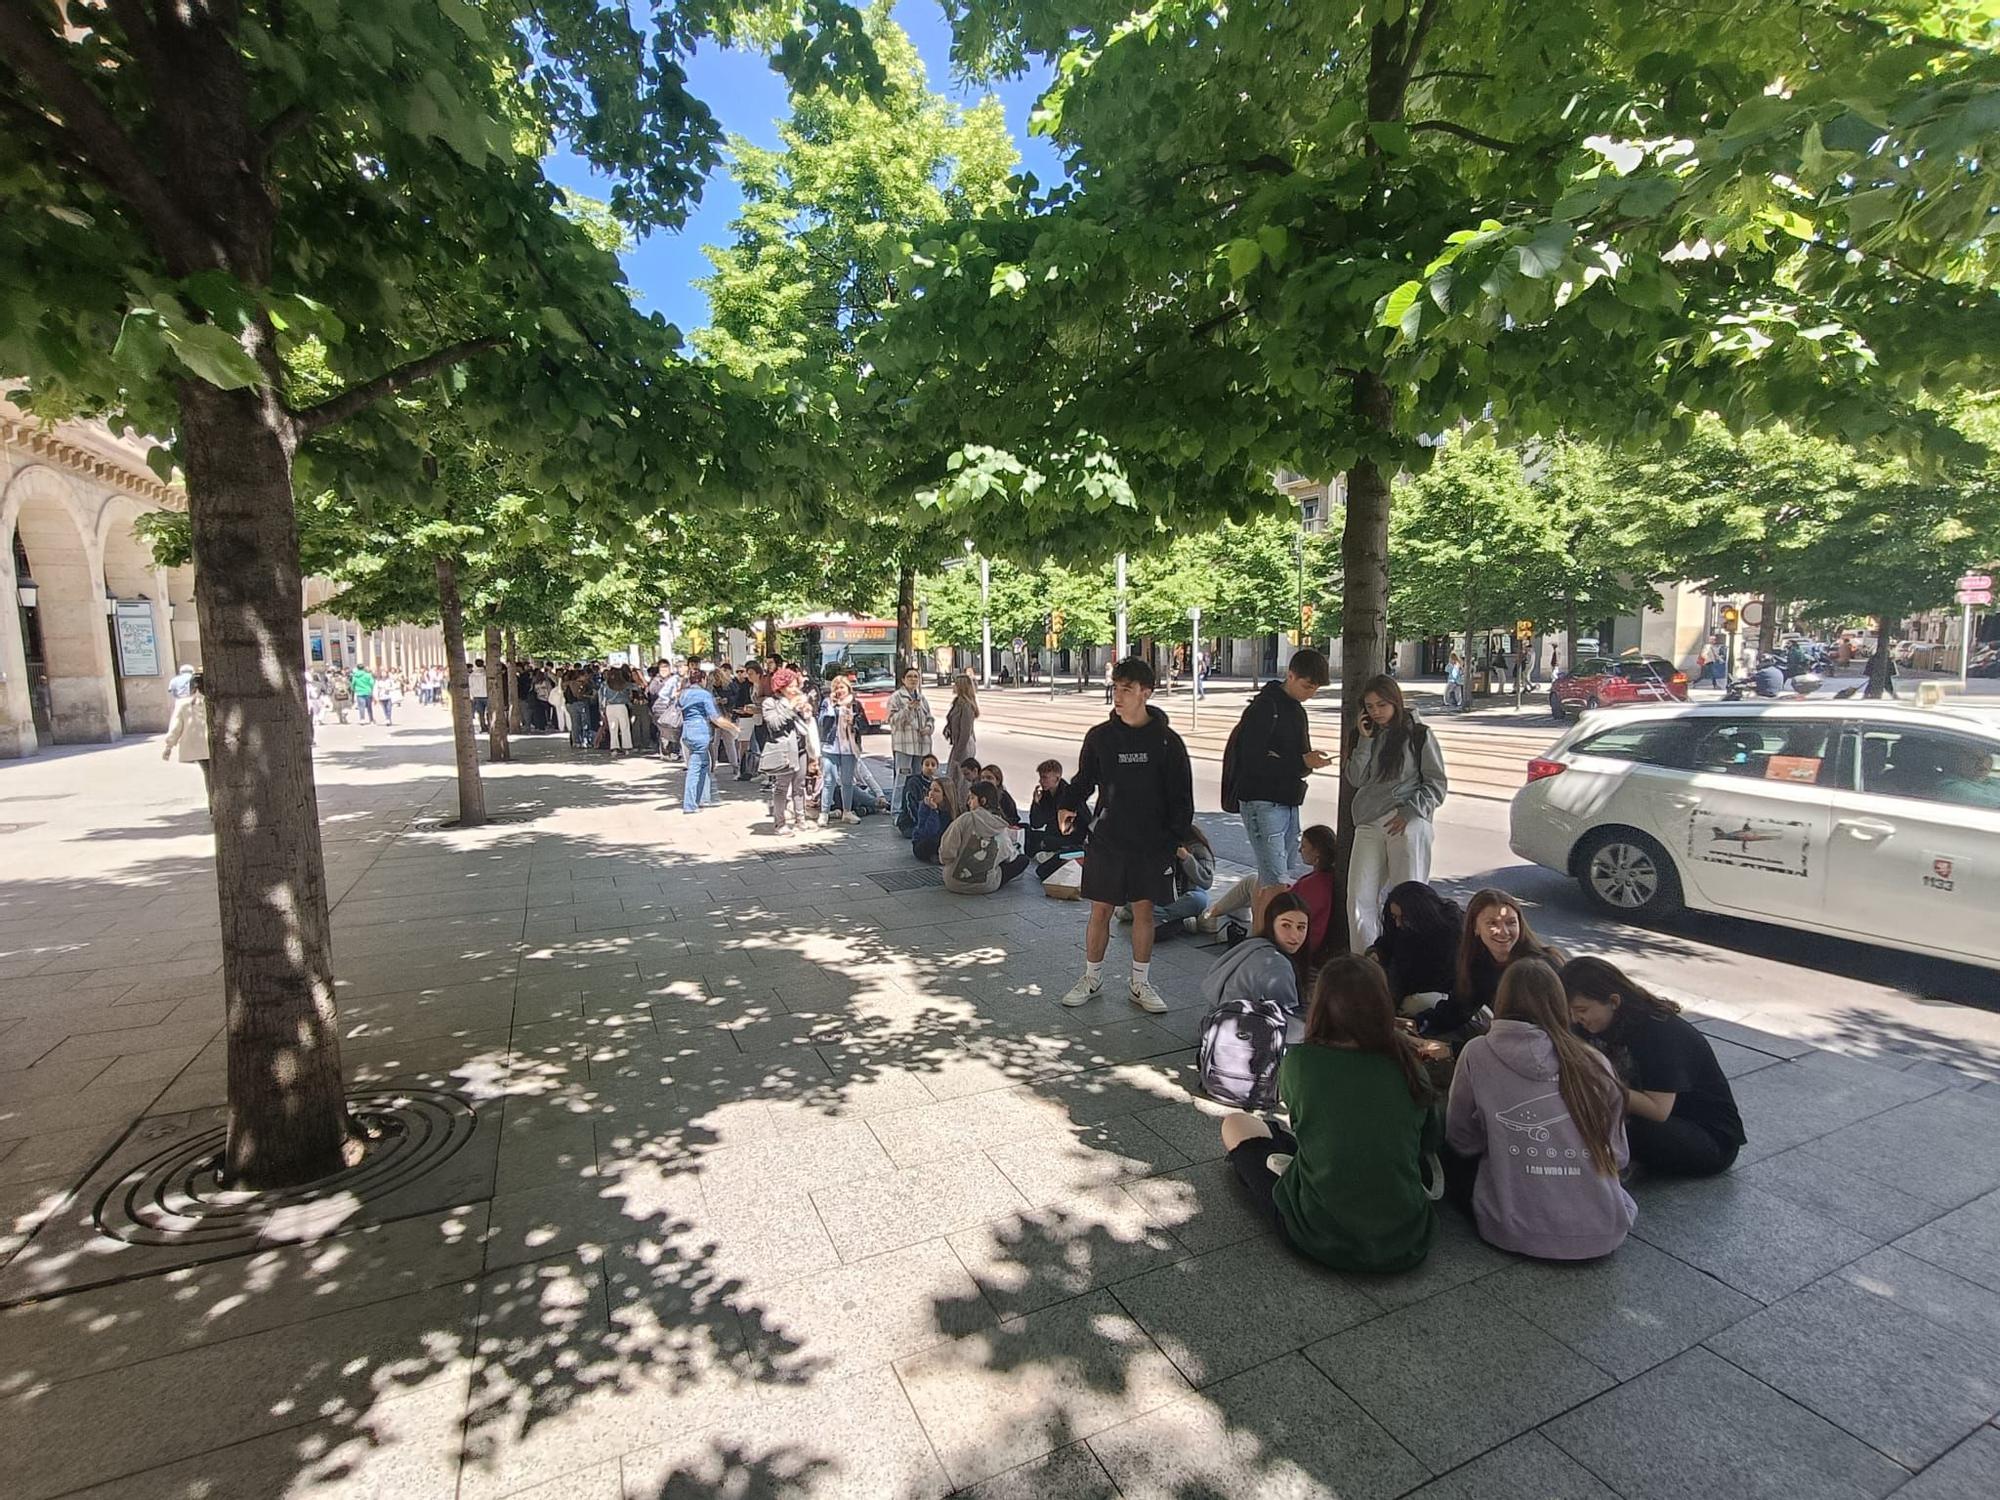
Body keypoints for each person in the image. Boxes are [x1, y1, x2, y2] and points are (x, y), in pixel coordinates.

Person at [1218, 956, 1440, 1274]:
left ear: (1320, 1004)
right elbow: (1431, 1139)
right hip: (1408, 1237)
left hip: (1319, 1234)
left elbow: (1305, 1122)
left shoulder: (1300, 1063)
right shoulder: (1408, 1065)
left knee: (1236, 1124)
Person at [1445, 959, 1635, 1259]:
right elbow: (1618, 1154)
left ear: (1502, 999)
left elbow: (1460, 1139)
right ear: (1560, 1003)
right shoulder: (1593, 1061)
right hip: (1603, 1231)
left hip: (1510, 1231)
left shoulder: (1477, 1052)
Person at [1057, 657, 1195, 1015]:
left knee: (1145, 911)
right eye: (1116, 688)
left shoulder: (1167, 742)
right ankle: (1091, 977)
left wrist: (1173, 840)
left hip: (1152, 843)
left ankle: (1140, 982)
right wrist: (1067, 805)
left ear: (1146, 693)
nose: (1118, 696)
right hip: (1108, 839)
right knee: (1100, 910)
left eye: (1127, 689)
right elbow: (1084, 779)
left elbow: (1182, 797)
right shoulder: (1100, 737)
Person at [1564, 956, 1745, 1176]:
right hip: (1659, 1120)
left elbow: (1657, 1110)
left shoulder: (1659, 1031)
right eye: (1571, 1011)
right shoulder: (1595, 1022)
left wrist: (1598, 1084)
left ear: (1613, 1001)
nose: (1575, 1018)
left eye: (1582, 1010)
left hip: (1707, 1138)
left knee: (1608, 1122)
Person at [1344, 673, 1448, 952]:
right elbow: (1355, 778)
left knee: (1410, 899)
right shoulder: (1366, 735)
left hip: (1406, 820)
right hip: (1368, 821)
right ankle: (1366, 964)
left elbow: (1436, 784)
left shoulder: (1418, 734)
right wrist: (1364, 741)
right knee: (1358, 897)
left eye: (1381, 705)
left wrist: (1410, 811)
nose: (1375, 712)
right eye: (1369, 706)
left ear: (1396, 702)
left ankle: (1409, 961)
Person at [1222, 648, 1333, 893]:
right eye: (1307, 686)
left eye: (1316, 688)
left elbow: (1296, 760)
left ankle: (1265, 927)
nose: (1311, 693)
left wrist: (1305, 762)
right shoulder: (1264, 707)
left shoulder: (1296, 710)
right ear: (1291, 676)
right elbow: (1254, 761)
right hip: (1262, 801)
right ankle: (1267, 929)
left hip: (1287, 799)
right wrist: (1300, 761)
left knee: (1277, 876)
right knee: (1276, 879)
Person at [1417, 888, 1566, 1052]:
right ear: (1475, 928)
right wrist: (1419, 1023)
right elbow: (1458, 1009)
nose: (1503, 932)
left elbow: (1541, 1033)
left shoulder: (1539, 968)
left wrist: (1453, 1050)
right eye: (1492, 923)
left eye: (1511, 922)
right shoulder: (1479, 963)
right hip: (1505, 1037)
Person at [1367, 881, 1463, 1018]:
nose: (1398, 924)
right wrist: (1376, 953)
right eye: (1394, 917)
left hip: (1438, 993)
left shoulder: (1451, 933)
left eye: (1403, 918)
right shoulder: (1401, 929)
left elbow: (1442, 976)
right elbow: (1386, 943)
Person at [759, 667, 822, 836]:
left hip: (801, 748)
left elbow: (806, 725)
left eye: (796, 685)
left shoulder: (799, 701)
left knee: (800, 786)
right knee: (781, 788)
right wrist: (791, 708)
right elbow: (774, 725)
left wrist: (806, 712)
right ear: (781, 687)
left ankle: (800, 820)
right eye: (791, 686)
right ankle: (780, 824)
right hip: (783, 750)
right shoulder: (770, 703)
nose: (795, 690)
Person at [940, 781, 1034, 893]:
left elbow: (946, 852)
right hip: (986, 886)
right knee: (1022, 860)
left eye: (972, 798)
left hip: (953, 882)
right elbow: (1009, 857)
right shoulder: (1000, 827)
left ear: (982, 801)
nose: (968, 802)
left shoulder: (964, 819)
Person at [1140, 824, 1217, 941]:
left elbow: (1207, 881)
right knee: (1134, 898)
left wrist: (1186, 858)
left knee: (1199, 900)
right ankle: (1179, 921)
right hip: (1162, 895)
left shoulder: (1197, 846)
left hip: (1188, 894)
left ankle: (1157, 917)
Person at [815, 673, 867, 825]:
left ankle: (847, 811)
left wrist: (854, 721)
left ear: (848, 689)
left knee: (847, 781)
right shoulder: (827, 703)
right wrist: (831, 707)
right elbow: (822, 722)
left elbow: (865, 725)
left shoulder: (855, 704)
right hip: (830, 746)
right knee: (829, 779)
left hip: (849, 747)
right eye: (836, 688)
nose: (839, 690)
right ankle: (824, 812)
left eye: (842, 687)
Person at [1292, 824, 1340, 967]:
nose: (1300, 850)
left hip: (1302, 942)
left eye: (1304, 846)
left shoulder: (1314, 885)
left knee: (1253, 884)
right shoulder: (1325, 878)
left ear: (1317, 851)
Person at [676, 670, 723, 814]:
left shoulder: (683, 694)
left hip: (687, 732)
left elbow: (678, 708)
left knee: (704, 764)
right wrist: (730, 726)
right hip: (699, 732)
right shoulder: (704, 694)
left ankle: (702, 798)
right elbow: (713, 716)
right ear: (702, 680)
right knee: (695, 769)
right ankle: (690, 803)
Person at [1025, 759, 1088, 861]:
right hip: (1053, 834)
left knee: (1044, 842)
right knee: (1027, 833)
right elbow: (1036, 823)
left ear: (1057, 778)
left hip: (1071, 838)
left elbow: (1083, 822)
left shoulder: (1070, 795)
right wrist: (1036, 803)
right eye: (1041, 777)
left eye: (1045, 778)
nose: (1041, 781)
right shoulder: (1046, 794)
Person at [161, 671, 213, 796]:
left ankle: (212, 803)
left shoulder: (183, 704)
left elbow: (176, 727)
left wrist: (168, 747)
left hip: (199, 747)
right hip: (216, 745)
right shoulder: (215, 702)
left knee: (208, 774)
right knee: (212, 774)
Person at [888, 666, 935, 784]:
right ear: (903, 680)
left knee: (919, 779)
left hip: (922, 746)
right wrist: (908, 708)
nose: (913, 679)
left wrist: (928, 728)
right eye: (909, 676)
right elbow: (893, 721)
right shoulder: (896, 697)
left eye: (916, 677)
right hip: (904, 746)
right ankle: (898, 803)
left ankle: (915, 801)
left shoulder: (921, 698)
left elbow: (930, 717)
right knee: (902, 780)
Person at [911, 777, 958, 864]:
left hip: (944, 841)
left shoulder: (952, 810)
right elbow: (929, 832)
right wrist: (934, 811)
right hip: (924, 841)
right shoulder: (924, 806)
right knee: (932, 843)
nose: (931, 793)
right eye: (930, 789)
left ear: (945, 795)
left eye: (936, 791)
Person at [945, 673, 980, 788]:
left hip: (963, 745)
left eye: (955, 684)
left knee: (960, 778)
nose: (953, 686)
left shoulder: (966, 706)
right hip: (958, 743)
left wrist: (958, 753)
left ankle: (961, 803)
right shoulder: (957, 702)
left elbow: (965, 732)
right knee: (954, 776)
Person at [898, 752, 939, 835]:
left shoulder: (936, 783)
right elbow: (910, 806)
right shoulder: (913, 782)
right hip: (910, 823)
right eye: (927, 765)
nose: (930, 768)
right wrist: (920, 824)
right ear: (921, 767)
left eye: (933, 765)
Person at [601, 666, 634, 755]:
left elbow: (602, 697)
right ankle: (627, 747)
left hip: (610, 707)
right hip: (622, 706)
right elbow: (635, 688)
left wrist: (602, 709)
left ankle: (614, 748)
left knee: (612, 728)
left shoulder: (605, 684)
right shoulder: (624, 684)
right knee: (625, 727)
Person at [467, 658, 489, 732]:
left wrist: (471, 696)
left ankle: (483, 727)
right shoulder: (487, 673)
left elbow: (470, 686)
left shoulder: (472, 675)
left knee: (480, 713)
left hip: (476, 696)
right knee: (489, 712)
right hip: (486, 695)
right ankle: (490, 726)